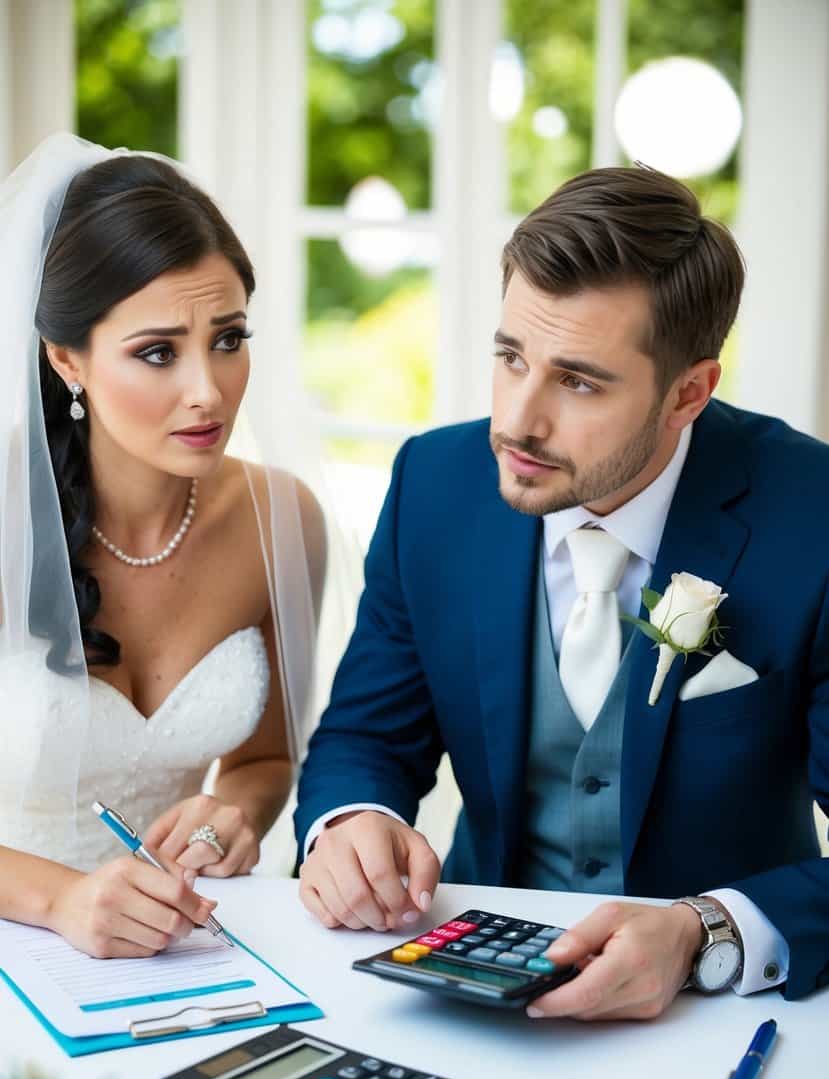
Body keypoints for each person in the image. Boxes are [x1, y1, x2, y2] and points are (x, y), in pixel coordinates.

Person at [295, 165, 829, 1019]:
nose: (518, 421)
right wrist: (347, 824)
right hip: (467, 985)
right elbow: (367, 736)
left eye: (578, 381)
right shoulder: (433, 484)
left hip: (725, 1014)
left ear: (687, 392)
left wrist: (705, 933)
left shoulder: (813, 514)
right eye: (510, 359)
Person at [0, 134, 329, 960]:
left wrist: (235, 817)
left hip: (190, 948)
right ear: (66, 357)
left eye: (227, 339)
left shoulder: (277, 518)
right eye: (157, 352)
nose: (206, 391)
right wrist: (64, 899)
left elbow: (266, 757)